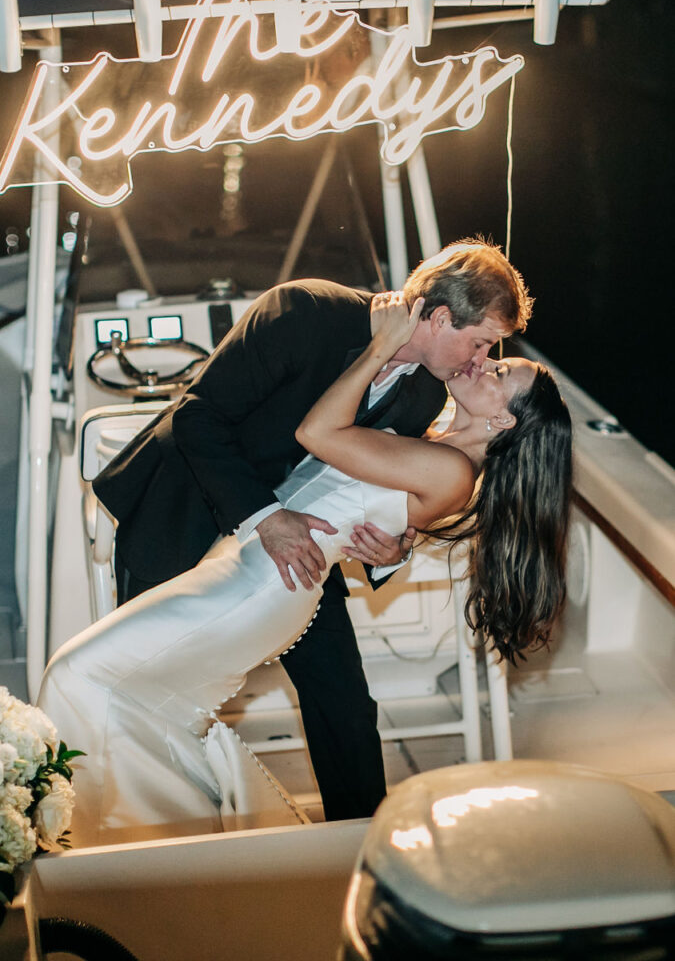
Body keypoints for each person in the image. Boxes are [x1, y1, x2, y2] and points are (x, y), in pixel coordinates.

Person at [39, 294, 572, 847]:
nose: (482, 359)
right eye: (485, 344)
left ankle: (332, 851)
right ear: (440, 318)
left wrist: (377, 355)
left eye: (496, 362)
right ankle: (169, 843)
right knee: (140, 698)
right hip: (231, 536)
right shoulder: (312, 317)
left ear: (504, 418)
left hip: (272, 579)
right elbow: (206, 417)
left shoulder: (445, 446)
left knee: (84, 674)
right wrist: (397, 540)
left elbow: (323, 439)